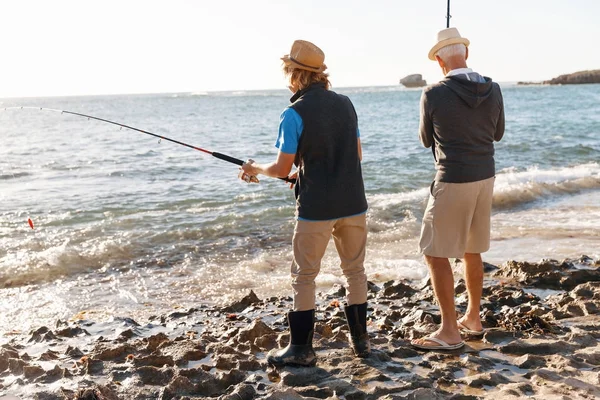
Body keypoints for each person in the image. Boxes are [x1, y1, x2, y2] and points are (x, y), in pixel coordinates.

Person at [240, 39, 370, 366]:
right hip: (354, 203)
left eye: (288, 71)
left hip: (317, 209)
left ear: (295, 74)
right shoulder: (346, 104)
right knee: (354, 271)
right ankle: (362, 345)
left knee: (304, 277)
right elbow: (356, 155)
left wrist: (254, 168)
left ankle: (301, 350)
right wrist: (304, 171)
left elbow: (282, 168)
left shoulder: (293, 113)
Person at [411, 28, 505, 351]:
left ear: (439, 61)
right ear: (465, 54)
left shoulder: (433, 93)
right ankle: (473, 319)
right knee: (471, 248)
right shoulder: (493, 89)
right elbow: (498, 134)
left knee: (434, 253)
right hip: (485, 178)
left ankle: (450, 331)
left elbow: (426, 140)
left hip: (452, 179)